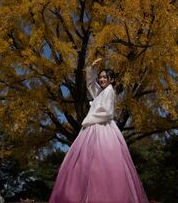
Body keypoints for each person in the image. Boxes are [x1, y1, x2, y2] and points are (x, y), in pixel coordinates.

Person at [49, 58, 148, 203]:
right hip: (93, 127)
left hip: (101, 128)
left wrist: (88, 120)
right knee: (86, 164)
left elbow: (107, 113)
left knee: (100, 164)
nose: (101, 79)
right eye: (100, 77)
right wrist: (92, 69)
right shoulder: (101, 93)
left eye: (104, 77)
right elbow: (90, 85)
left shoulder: (109, 92)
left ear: (111, 80)